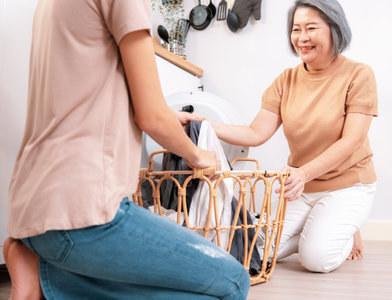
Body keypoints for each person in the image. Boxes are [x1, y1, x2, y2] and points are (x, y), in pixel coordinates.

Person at [3, 0, 251, 299]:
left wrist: (168, 115)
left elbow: (85, 89)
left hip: (35, 209)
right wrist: (198, 155)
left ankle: (46, 278)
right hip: (85, 211)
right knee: (234, 282)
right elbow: (150, 117)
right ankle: (51, 282)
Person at [210, 0, 378, 273]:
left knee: (316, 260)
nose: (302, 37)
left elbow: (351, 141)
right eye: (296, 29)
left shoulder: (358, 75)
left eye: (311, 28)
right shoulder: (286, 80)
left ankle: (345, 228)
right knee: (256, 250)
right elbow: (255, 133)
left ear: (334, 29)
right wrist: (205, 123)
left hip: (347, 185)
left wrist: (303, 173)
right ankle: (330, 226)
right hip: (301, 186)